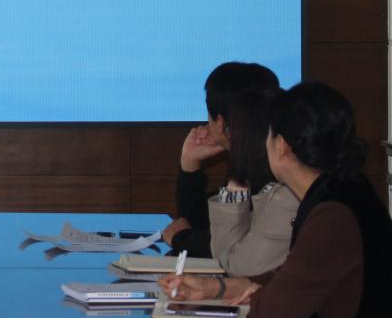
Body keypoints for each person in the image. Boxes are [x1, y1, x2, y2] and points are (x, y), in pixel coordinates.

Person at [160, 82, 392, 317]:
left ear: (281, 146)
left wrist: (255, 295)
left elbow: (275, 309)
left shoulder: (332, 217)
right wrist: (216, 288)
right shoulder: (346, 189)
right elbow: (295, 277)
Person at [162, 62, 280, 257]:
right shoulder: (258, 157)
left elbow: (234, 245)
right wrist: (190, 164)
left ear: (220, 122)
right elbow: (203, 223)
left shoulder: (268, 169)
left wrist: (182, 239)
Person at [208, 85, 298, 275]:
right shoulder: (272, 189)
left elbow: (236, 268)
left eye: (231, 131)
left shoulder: (288, 197)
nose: (228, 138)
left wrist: (234, 185)